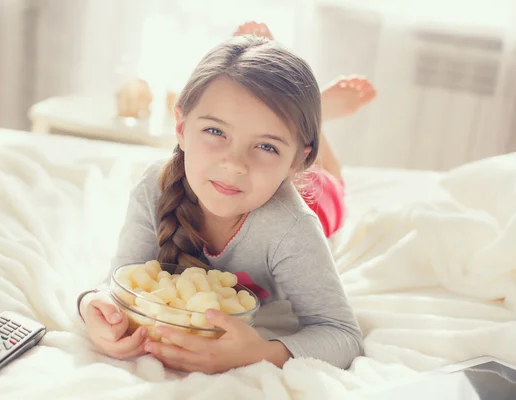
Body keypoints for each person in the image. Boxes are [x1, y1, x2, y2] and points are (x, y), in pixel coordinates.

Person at [77, 34, 364, 374]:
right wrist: (92, 306)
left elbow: (343, 333)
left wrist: (259, 354)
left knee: (332, 182)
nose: (234, 164)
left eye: (267, 146)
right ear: (181, 127)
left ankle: (317, 128)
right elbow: (118, 281)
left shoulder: (293, 227)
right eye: (216, 131)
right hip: (276, 175)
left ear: (295, 161)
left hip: (318, 196)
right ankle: (286, 116)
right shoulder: (153, 188)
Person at [234, 21, 376, 237]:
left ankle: (308, 113)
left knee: (317, 179)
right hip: (323, 191)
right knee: (328, 177)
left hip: (316, 197)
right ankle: (309, 113)